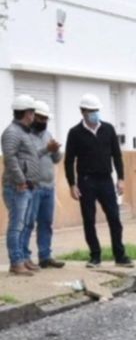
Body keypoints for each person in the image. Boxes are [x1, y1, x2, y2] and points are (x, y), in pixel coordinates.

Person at [64, 93, 133, 268]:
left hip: (105, 180)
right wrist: (72, 184)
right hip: (86, 181)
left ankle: (120, 255)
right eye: (91, 111)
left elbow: (117, 156)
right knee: (89, 219)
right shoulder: (75, 133)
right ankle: (95, 256)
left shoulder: (108, 129)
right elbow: (69, 160)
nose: (95, 114)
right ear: (83, 112)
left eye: (97, 110)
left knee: (114, 218)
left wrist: (121, 179)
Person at [23, 100, 65, 269]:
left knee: (46, 223)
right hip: (33, 187)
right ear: (32, 116)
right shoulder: (25, 136)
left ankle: (45, 256)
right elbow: (27, 159)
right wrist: (47, 149)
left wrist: (56, 151)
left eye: (46, 119)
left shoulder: (47, 135)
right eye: (40, 118)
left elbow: (56, 159)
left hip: (49, 186)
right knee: (28, 223)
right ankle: (24, 257)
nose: (44, 122)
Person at [2, 94, 38, 276]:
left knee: (25, 225)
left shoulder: (25, 132)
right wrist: (20, 180)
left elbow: (29, 157)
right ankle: (16, 262)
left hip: (28, 186)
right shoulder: (12, 132)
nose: (34, 116)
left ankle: (23, 257)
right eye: (32, 112)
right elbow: (10, 158)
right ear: (26, 113)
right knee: (16, 226)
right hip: (17, 187)